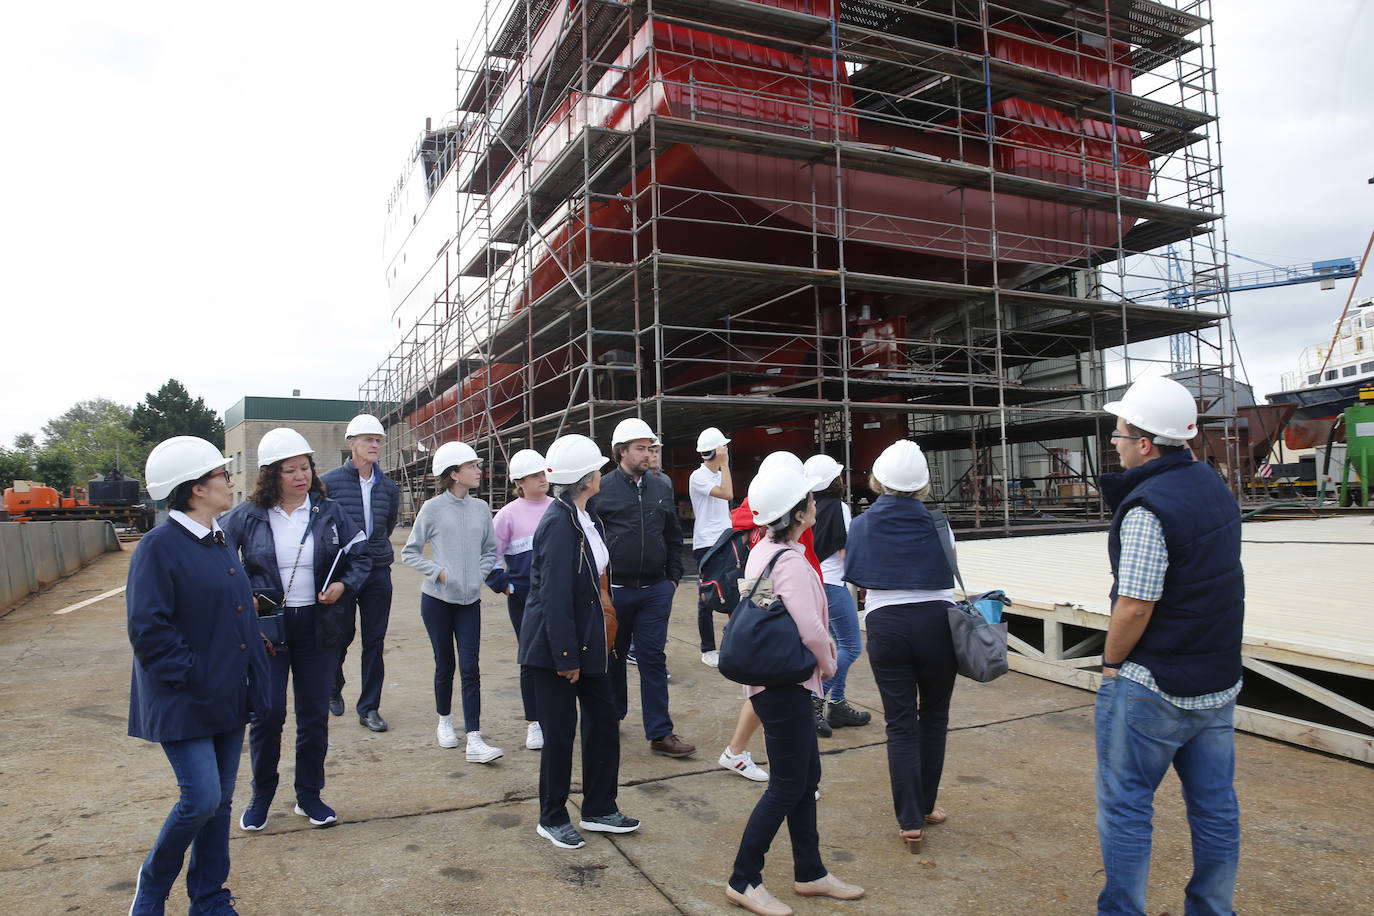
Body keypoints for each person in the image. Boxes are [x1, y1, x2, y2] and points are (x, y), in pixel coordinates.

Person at [1095, 376, 1243, 916]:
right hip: (1217, 680)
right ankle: (1212, 909)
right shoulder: (1213, 488)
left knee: (1127, 808)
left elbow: (1135, 604)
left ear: (1146, 444)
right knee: (1214, 808)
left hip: (1154, 683)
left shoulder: (1147, 508)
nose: (1113, 443)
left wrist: (1111, 664)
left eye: (1119, 434)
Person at [125, 437, 270, 916]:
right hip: (184, 697)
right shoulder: (158, 546)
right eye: (221, 476)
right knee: (201, 798)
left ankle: (209, 899)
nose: (229, 482)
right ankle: (150, 892)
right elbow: (149, 628)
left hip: (227, 695)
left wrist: (254, 667)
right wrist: (192, 674)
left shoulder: (217, 538)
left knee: (221, 802)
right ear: (194, 490)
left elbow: (233, 612)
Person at [725, 465, 861, 916]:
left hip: (772, 682)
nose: (815, 504)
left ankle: (811, 872)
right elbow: (811, 630)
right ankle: (743, 879)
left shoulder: (761, 550)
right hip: (785, 685)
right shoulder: (793, 563)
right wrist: (830, 664)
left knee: (806, 780)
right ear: (798, 514)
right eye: (809, 500)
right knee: (787, 785)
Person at [221, 427, 372, 832]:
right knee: (268, 714)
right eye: (290, 470)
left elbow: (362, 556)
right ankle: (261, 797)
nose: (301, 476)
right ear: (272, 474)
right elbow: (217, 561)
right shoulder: (247, 516)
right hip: (268, 630)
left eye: (305, 467)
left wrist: (344, 585)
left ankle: (309, 795)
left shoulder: (328, 512)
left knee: (313, 715)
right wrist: (244, 596)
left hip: (318, 626)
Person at [519, 434, 642, 849]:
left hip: (588, 644)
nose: (602, 474)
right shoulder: (558, 524)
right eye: (598, 469)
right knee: (560, 732)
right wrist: (566, 656)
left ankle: (599, 808)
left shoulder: (583, 516)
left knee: (603, 722)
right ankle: (552, 816)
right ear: (587, 478)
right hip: (557, 649)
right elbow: (553, 597)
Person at [844, 439, 957, 854]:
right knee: (935, 716)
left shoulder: (861, 524)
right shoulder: (940, 523)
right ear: (923, 484)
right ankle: (926, 804)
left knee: (900, 721)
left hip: (886, 624)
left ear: (878, 480)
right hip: (938, 623)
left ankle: (910, 820)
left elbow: (855, 575)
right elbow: (949, 571)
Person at [594, 417, 695, 759]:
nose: (648, 454)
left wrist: (672, 576)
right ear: (621, 452)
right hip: (617, 590)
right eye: (641, 448)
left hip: (655, 589)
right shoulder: (602, 489)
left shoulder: (662, 485)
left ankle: (660, 733)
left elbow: (672, 532)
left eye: (651, 448)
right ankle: (612, 718)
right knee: (614, 657)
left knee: (653, 658)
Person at [401, 441, 503, 763]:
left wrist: (479, 575)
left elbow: (490, 551)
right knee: (446, 665)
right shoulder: (431, 509)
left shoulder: (482, 508)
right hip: (437, 601)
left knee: (471, 668)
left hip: (470, 601)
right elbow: (409, 552)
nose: (478, 470)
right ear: (454, 473)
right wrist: (439, 573)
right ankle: (444, 720)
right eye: (472, 466)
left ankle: (474, 736)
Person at [322, 414, 400, 733]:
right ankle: (332, 685)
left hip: (378, 571)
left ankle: (369, 707)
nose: (374, 445)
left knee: (374, 641)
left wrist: (373, 547)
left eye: (378, 440)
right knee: (340, 635)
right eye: (368, 439)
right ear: (351, 443)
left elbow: (388, 523)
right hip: (343, 572)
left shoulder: (388, 487)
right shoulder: (328, 483)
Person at [488, 447, 555, 750]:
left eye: (545, 473)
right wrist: (503, 585)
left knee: (561, 654)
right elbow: (489, 556)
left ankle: (555, 715)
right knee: (531, 659)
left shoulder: (560, 508)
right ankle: (534, 723)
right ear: (520, 482)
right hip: (524, 596)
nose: (543, 479)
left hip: (559, 594)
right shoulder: (507, 515)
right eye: (536, 475)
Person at [804, 454, 871, 731]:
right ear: (835, 480)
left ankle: (838, 704)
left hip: (814, 583)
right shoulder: (839, 507)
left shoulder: (809, 505)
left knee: (838, 645)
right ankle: (816, 696)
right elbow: (847, 551)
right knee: (852, 646)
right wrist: (865, 579)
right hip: (833, 583)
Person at [690, 427, 734, 668]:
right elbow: (728, 494)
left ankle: (735, 641)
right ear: (718, 450)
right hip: (706, 543)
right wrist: (725, 464)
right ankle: (708, 649)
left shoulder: (719, 473)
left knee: (735, 589)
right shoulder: (698, 476)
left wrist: (723, 467)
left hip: (724, 538)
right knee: (707, 596)